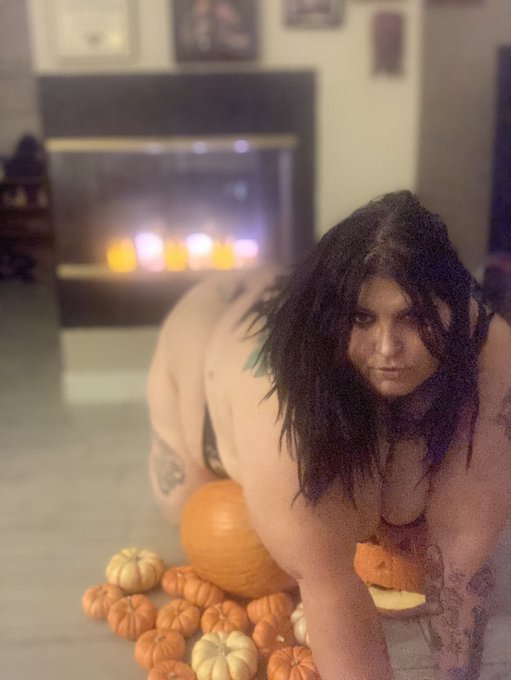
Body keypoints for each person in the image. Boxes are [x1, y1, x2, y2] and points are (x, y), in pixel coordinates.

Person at [147, 191, 511, 680]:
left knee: (415, 512)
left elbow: (465, 559)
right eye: (363, 318)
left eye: (414, 317)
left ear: (455, 311)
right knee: (215, 530)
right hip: (207, 361)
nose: (388, 348)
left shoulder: (492, 354)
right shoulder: (281, 405)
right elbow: (332, 588)